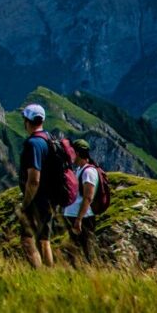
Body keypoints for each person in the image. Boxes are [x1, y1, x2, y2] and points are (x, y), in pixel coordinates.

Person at [17, 103, 54, 269]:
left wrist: (25, 204)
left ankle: (37, 273)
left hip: (37, 199)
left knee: (27, 239)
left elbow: (34, 180)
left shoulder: (33, 144)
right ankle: (49, 274)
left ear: (27, 121)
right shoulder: (48, 139)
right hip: (50, 198)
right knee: (44, 240)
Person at [63, 138, 98, 264]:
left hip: (82, 217)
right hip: (73, 215)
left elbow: (88, 197)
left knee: (85, 249)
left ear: (77, 153)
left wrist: (79, 219)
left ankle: (88, 271)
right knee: (74, 250)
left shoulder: (88, 172)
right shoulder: (79, 170)